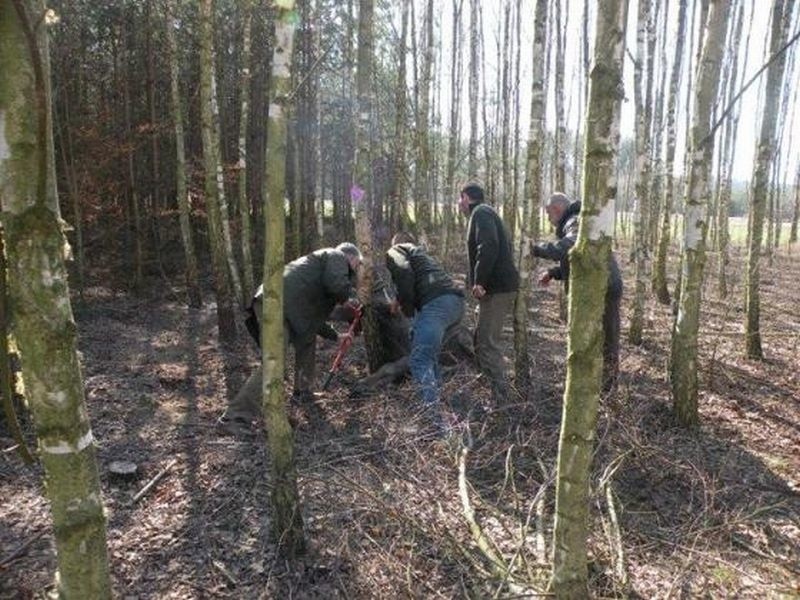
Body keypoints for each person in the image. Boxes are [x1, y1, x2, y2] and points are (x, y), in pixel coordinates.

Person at [220, 242, 362, 429]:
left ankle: (302, 392)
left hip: (285, 306)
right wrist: (354, 298)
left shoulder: (319, 273)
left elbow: (313, 321)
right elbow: (338, 286)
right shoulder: (336, 256)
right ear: (351, 258)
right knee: (274, 361)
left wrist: (337, 336)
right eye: (358, 265)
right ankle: (235, 416)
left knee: (307, 339)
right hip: (275, 304)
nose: (356, 270)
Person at [532, 192, 623, 392]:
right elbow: (580, 261)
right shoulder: (574, 220)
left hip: (604, 287)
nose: (549, 219)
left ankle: (608, 389)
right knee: (593, 336)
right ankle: (595, 382)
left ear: (556, 209)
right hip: (596, 285)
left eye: (549, 214)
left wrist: (537, 249)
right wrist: (554, 273)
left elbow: (571, 245)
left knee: (607, 338)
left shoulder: (574, 221)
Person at [385, 232, 465, 421]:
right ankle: (440, 406)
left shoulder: (396, 250)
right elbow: (416, 279)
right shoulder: (422, 257)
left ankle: (434, 422)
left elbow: (403, 272)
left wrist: (408, 308)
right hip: (456, 305)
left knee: (419, 360)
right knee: (430, 357)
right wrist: (398, 300)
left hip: (437, 306)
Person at [457, 183, 520, 402]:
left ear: (465, 198)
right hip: (496, 288)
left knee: (486, 342)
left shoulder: (481, 213)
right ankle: (492, 390)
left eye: (460, 199)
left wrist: (480, 281)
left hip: (496, 289)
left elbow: (489, 245)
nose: (459, 204)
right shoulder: (487, 212)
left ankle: (501, 400)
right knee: (480, 339)